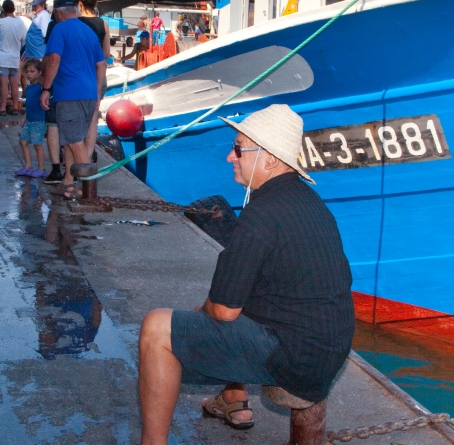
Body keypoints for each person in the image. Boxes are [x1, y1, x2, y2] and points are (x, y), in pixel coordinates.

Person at [136, 104, 354, 442]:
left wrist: (205, 311)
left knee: (157, 327)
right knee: (227, 308)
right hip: (330, 345)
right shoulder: (312, 203)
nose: (229, 157)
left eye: (238, 148)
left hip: (294, 357)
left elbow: (223, 310)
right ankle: (233, 398)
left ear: (269, 159)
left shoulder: (260, 214)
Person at [39, 0, 106, 198]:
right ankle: (69, 183)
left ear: (58, 12)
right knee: (70, 138)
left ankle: (88, 188)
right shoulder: (89, 31)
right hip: (88, 94)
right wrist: (96, 92)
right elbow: (101, 64)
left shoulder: (60, 29)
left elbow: (54, 59)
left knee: (74, 140)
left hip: (69, 93)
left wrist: (46, 88)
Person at [77, 0, 111, 162]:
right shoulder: (103, 24)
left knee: (78, 117)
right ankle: (88, 156)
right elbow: (106, 53)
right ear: (96, 4)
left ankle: (78, 154)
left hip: (80, 74)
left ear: (80, 4)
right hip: (98, 75)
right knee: (92, 119)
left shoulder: (76, 22)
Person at [14, 58, 47, 178]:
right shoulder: (28, 88)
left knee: (37, 145)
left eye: (32, 71)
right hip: (30, 119)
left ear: (39, 72)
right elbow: (29, 104)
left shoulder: (41, 87)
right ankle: (28, 166)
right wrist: (24, 117)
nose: (28, 74)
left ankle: (41, 168)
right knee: (23, 141)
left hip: (39, 120)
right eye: (27, 72)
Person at [0, 0, 29, 115]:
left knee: (4, 84)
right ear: (14, 9)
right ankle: (15, 107)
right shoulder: (20, 23)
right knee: (14, 84)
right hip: (15, 58)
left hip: (2, 58)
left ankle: (2, 108)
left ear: (3, 9)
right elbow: (24, 41)